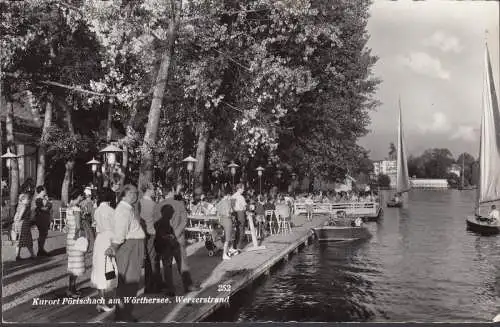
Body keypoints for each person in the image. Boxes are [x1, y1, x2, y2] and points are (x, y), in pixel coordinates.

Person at [105, 184, 145, 322]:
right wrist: (114, 247)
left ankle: (123, 314)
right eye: (133, 193)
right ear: (125, 194)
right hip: (130, 247)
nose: (136, 196)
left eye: (136, 193)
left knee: (127, 283)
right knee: (130, 282)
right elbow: (120, 234)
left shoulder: (127, 209)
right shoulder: (123, 210)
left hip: (132, 246)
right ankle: (124, 315)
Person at [154, 182, 200, 295]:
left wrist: (165, 236)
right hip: (178, 238)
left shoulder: (157, 206)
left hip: (165, 239)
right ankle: (188, 285)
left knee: (167, 265)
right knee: (182, 263)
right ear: (171, 191)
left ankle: (171, 289)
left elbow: (156, 224)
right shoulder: (179, 204)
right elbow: (184, 220)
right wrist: (176, 234)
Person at [91, 188, 117, 312]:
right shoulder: (111, 211)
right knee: (110, 269)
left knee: (99, 269)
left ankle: (101, 300)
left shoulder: (96, 211)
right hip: (109, 239)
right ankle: (110, 300)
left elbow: (96, 228)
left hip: (99, 240)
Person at [139, 182, 160, 293]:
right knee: (153, 260)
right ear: (148, 190)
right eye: (153, 189)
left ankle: (147, 285)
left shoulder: (138, 203)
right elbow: (158, 221)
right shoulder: (154, 205)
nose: (154, 190)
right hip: (152, 233)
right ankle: (154, 285)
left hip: (142, 234)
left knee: (147, 260)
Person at [65, 188, 86, 298]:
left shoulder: (69, 208)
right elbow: (78, 226)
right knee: (76, 265)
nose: (82, 198)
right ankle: (71, 290)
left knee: (72, 265)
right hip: (75, 237)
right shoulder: (77, 209)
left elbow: (67, 226)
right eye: (81, 196)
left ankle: (71, 288)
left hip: (70, 238)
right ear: (77, 196)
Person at [216, 187, 237, 260]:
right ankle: (224, 254)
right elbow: (229, 212)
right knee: (228, 238)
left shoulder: (219, 202)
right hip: (227, 220)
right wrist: (231, 212)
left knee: (226, 236)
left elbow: (217, 212)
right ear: (228, 195)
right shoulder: (227, 202)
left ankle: (230, 249)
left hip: (222, 220)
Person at [13, 193, 35, 260]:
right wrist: (19, 220)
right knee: (28, 240)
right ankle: (32, 255)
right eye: (27, 199)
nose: (29, 200)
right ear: (22, 200)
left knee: (19, 240)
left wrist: (15, 223)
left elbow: (15, 216)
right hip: (24, 224)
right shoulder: (24, 206)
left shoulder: (19, 206)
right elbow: (20, 216)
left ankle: (17, 255)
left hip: (18, 224)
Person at [33, 186, 52, 257]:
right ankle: (40, 250)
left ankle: (41, 250)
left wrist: (47, 202)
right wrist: (49, 203)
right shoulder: (38, 199)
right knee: (42, 234)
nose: (45, 191)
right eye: (44, 190)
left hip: (44, 218)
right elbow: (43, 208)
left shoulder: (43, 198)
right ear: (41, 191)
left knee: (44, 234)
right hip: (41, 218)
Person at [231, 183, 247, 251]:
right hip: (240, 213)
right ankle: (239, 246)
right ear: (239, 189)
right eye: (243, 188)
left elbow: (231, 206)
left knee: (237, 229)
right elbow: (244, 206)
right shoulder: (241, 197)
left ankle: (234, 245)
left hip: (234, 213)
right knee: (241, 229)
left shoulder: (233, 196)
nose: (244, 190)